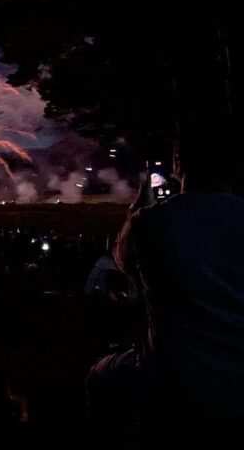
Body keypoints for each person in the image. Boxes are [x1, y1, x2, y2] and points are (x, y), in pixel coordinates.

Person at [88, 146, 244, 441]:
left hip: (174, 377)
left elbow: (122, 261)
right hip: (237, 379)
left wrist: (138, 207)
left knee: (99, 376)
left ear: (178, 164)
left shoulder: (153, 220)